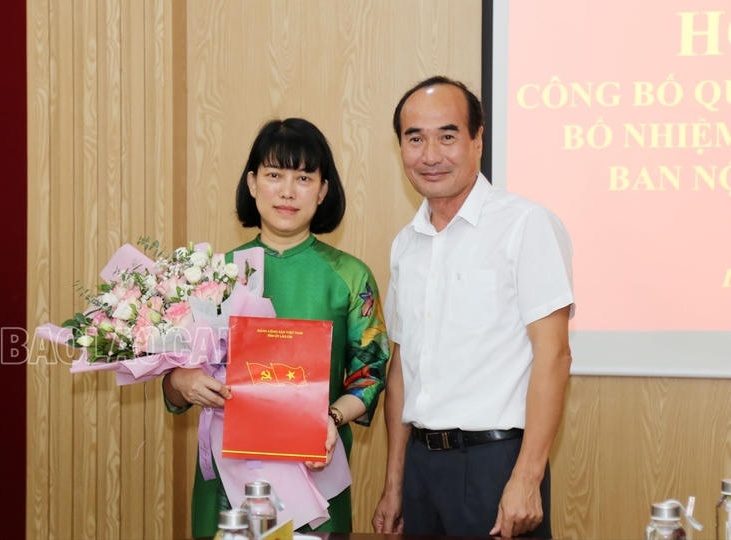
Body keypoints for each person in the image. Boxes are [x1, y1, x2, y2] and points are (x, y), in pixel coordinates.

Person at [162, 117, 390, 537]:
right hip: (229, 480)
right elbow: (174, 390)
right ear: (252, 184)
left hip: (315, 473)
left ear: (322, 191)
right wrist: (180, 380)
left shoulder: (350, 276)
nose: (287, 191)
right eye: (274, 175)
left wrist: (332, 417)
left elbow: (371, 372)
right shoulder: (212, 275)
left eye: (304, 178)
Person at [372, 76, 574, 538]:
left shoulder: (525, 224)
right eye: (415, 139)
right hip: (421, 467)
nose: (430, 155)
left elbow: (555, 356)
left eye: (447, 136)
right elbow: (402, 368)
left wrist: (527, 478)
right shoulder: (406, 243)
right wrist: (395, 483)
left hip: (495, 464)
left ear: (477, 140)